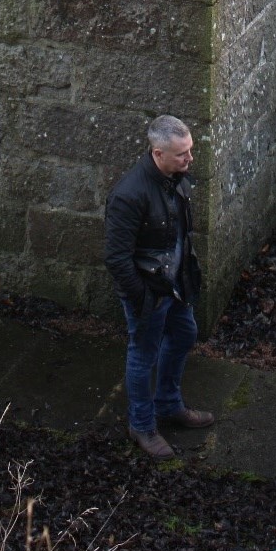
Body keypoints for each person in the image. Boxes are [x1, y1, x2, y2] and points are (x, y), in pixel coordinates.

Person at [104, 114, 215, 459]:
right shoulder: (128, 195)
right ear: (157, 153)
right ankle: (142, 425)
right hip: (150, 291)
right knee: (143, 354)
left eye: (190, 150)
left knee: (184, 334)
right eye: (182, 154)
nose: (190, 159)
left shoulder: (176, 178)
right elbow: (116, 258)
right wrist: (142, 298)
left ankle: (169, 404)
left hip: (176, 285)